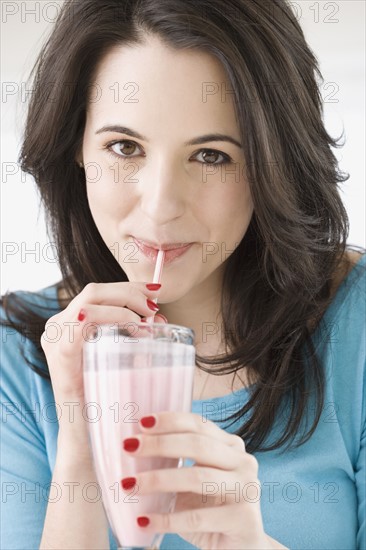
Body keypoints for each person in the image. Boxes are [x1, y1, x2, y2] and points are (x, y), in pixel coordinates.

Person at [1, 0, 365, 548]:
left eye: (211, 156)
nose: (161, 207)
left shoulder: (355, 332)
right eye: (124, 147)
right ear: (76, 145)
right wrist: (80, 447)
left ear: (272, 161)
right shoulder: (18, 359)